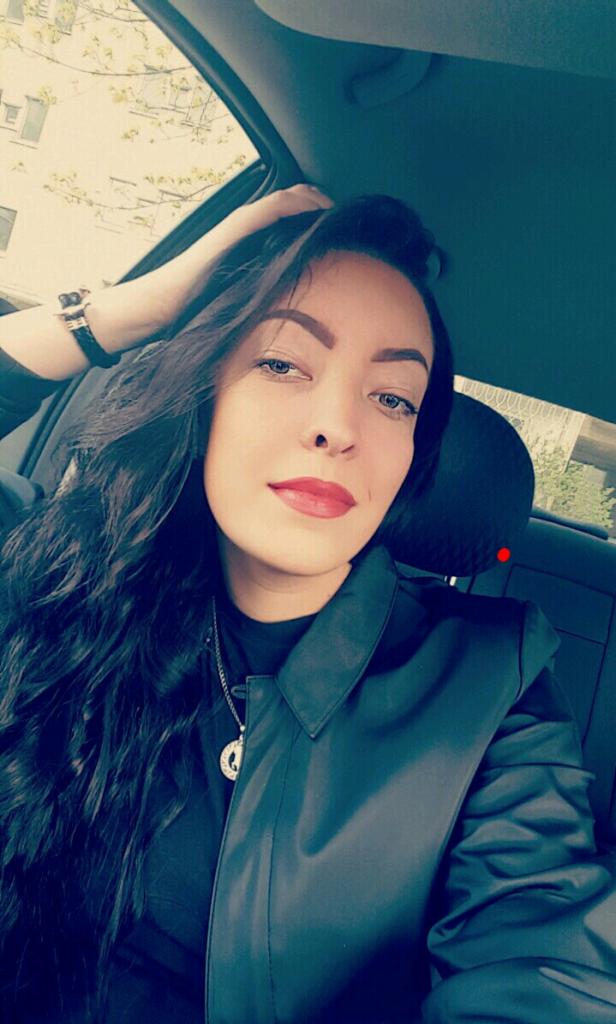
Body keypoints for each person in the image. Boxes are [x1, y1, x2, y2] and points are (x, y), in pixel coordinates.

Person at [0, 184, 615, 1024]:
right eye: (282, 363)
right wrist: (127, 312)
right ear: (204, 392)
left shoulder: (489, 694)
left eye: (392, 398)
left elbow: (546, 966)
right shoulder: (63, 575)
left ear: (411, 455)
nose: (337, 426)